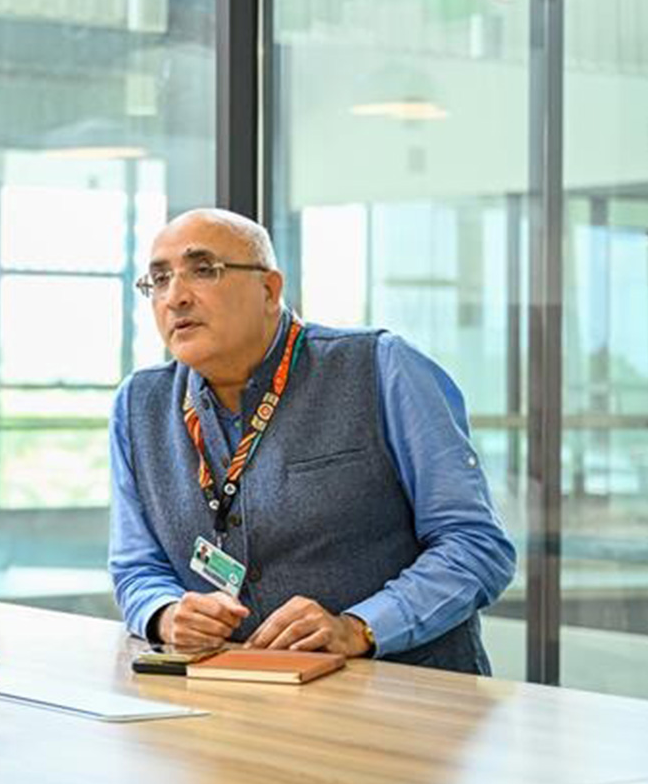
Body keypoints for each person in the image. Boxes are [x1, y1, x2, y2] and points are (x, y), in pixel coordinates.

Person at [108, 208, 515, 673]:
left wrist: (361, 627)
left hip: (401, 699)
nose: (175, 297)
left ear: (269, 289)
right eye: (158, 280)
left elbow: (477, 546)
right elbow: (136, 567)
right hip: (229, 700)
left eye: (203, 270)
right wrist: (164, 614)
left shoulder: (382, 368)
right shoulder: (139, 404)